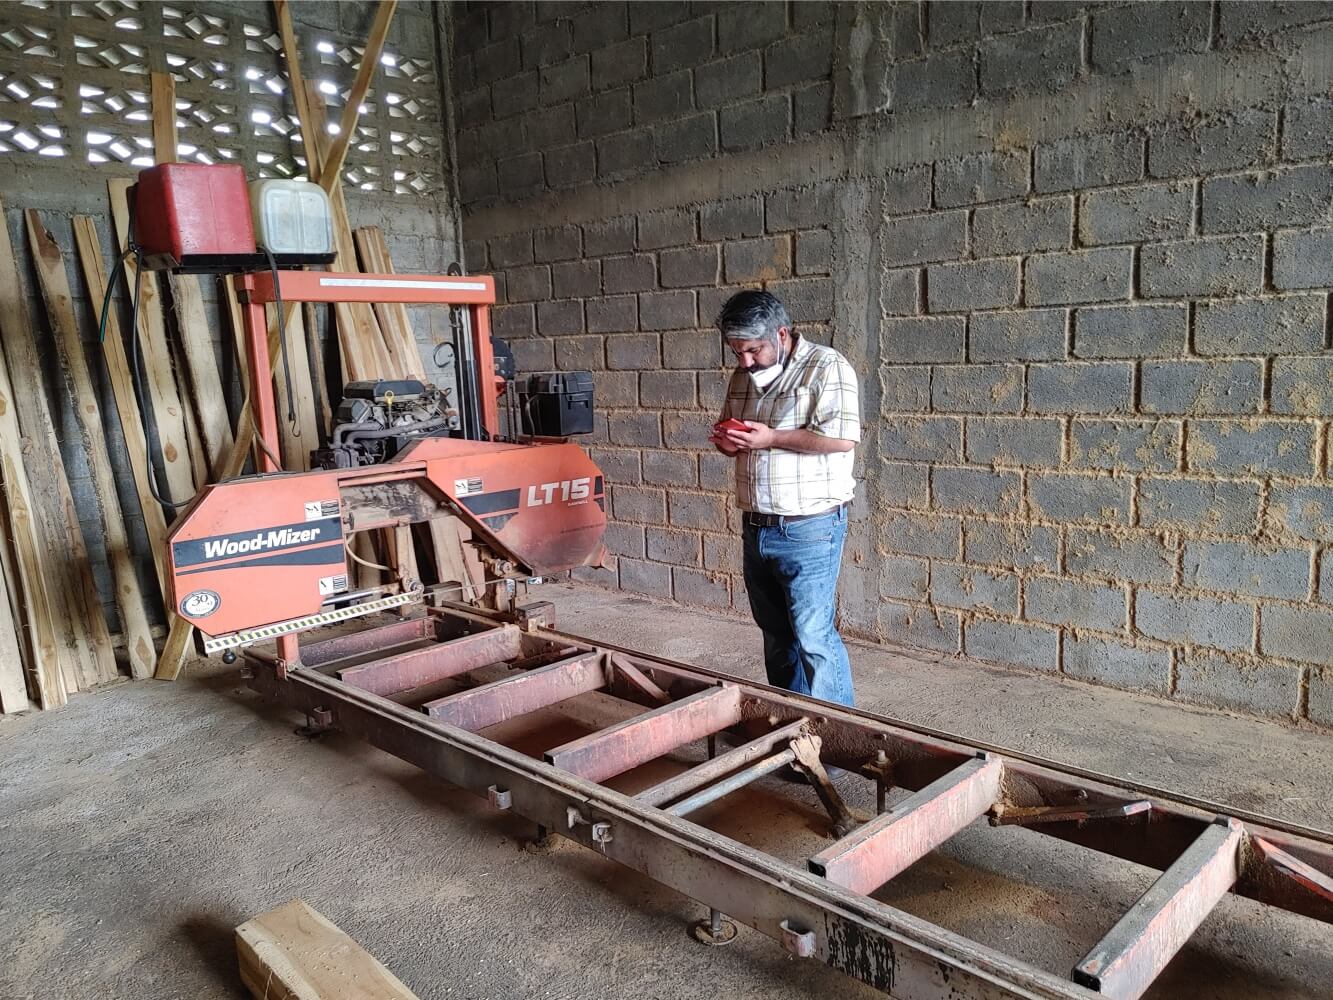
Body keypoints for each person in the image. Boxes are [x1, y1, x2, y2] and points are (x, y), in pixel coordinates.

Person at [708, 290, 861, 707]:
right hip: (756, 524)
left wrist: (771, 437)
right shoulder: (743, 376)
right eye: (737, 352)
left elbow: (842, 439)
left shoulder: (826, 367)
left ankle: (837, 733)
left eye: (753, 350)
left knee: (813, 635)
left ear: (781, 334)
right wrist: (729, 442)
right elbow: (735, 442)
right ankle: (793, 721)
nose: (745, 361)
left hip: (808, 528)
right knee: (776, 633)